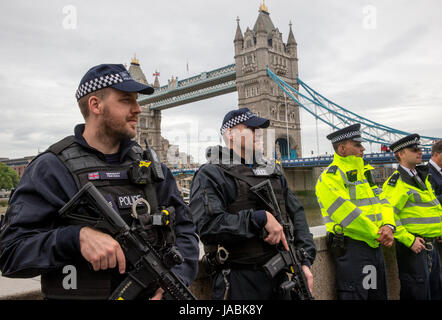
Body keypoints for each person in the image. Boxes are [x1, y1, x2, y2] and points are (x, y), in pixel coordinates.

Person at [0, 64, 199, 300]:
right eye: (126, 100)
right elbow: (10, 253)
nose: (138, 109)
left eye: (137, 100)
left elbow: (185, 231)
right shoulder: (51, 169)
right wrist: (75, 238)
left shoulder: (153, 169)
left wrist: (173, 283)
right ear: (95, 105)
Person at [189, 107, 316, 300]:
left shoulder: (273, 171)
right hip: (238, 280)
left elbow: (297, 215)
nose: (259, 133)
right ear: (230, 134)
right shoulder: (211, 174)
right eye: (251, 128)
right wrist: (258, 218)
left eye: (259, 129)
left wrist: (305, 261)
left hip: (281, 278)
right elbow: (207, 227)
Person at [315, 123, 396, 300]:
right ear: (342, 149)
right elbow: (346, 213)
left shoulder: (364, 174)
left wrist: (389, 226)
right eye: (357, 144)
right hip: (354, 250)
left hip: (374, 247)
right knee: (356, 296)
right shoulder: (330, 177)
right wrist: (378, 233)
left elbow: (383, 201)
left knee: (376, 294)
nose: (363, 148)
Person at [380, 134, 442, 300]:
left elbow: (432, 209)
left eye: (420, 149)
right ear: (400, 154)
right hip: (414, 248)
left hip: (431, 245)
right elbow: (388, 215)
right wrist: (409, 240)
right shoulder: (397, 181)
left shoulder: (422, 178)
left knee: (436, 291)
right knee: (417, 292)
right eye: (414, 149)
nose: (420, 152)